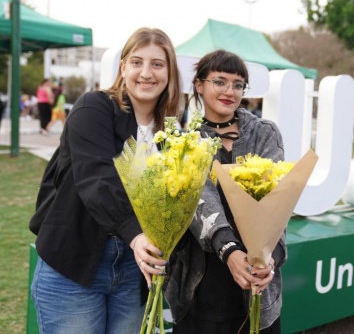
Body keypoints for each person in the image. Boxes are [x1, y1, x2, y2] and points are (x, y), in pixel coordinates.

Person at [29, 27, 183, 334]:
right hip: (74, 263)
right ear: (123, 67)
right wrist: (135, 234)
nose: (146, 73)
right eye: (137, 62)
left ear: (169, 72)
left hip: (133, 269)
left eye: (157, 64)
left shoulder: (171, 130)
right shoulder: (93, 108)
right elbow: (98, 179)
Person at [166, 49, 285, 333]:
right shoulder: (185, 141)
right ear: (199, 85)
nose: (229, 91)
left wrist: (271, 257)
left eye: (238, 84)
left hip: (259, 282)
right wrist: (229, 250)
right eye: (219, 81)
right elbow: (199, 198)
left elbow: (278, 200)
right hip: (202, 283)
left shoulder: (264, 133)